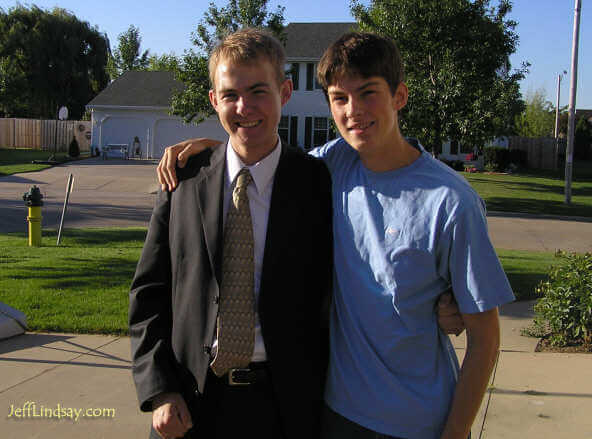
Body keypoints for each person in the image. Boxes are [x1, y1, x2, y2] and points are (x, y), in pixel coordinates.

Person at [157, 31, 514, 439]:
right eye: (339, 99)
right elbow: (262, 156)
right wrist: (219, 151)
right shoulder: (332, 166)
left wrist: (456, 431)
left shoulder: (452, 202)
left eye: (368, 93)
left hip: (417, 421)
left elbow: (486, 340)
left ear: (400, 96)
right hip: (331, 411)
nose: (354, 111)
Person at [129, 28, 333, 439]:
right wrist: (160, 388)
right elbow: (149, 292)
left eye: (259, 91)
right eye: (230, 95)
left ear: (286, 91)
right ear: (213, 100)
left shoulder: (318, 185)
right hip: (190, 403)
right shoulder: (183, 180)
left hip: (285, 408)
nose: (244, 107)